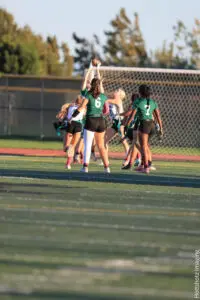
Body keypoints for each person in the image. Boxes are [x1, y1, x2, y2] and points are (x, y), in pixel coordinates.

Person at [70, 78, 120, 173]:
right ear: (99, 85)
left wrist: (72, 117)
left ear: (92, 85)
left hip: (91, 120)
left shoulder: (88, 95)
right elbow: (106, 111)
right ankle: (107, 167)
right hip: (101, 121)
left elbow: (81, 107)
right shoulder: (103, 96)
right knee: (101, 145)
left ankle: (85, 167)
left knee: (88, 145)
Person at [126, 84, 163, 174]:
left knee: (143, 146)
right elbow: (158, 116)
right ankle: (143, 165)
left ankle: (146, 167)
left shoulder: (138, 101)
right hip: (152, 125)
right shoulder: (153, 102)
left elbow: (132, 115)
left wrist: (127, 125)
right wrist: (161, 128)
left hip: (144, 124)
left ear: (140, 92)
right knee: (145, 145)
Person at [104, 88, 129, 159]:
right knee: (104, 140)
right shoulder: (112, 99)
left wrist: (102, 98)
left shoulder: (117, 100)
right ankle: (105, 158)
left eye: (118, 91)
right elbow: (104, 96)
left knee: (123, 141)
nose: (115, 91)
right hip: (115, 124)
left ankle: (132, 157)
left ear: (120, 95)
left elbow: (105, 100)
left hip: (120, 123)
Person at [64, 95, 85, 169]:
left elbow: (65, 111)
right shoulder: (83, 108)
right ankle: (68, 164)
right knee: (72, 146)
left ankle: (67, 149)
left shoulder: (70, 106)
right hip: (78, 125)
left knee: (67, 146)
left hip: (70, 124)